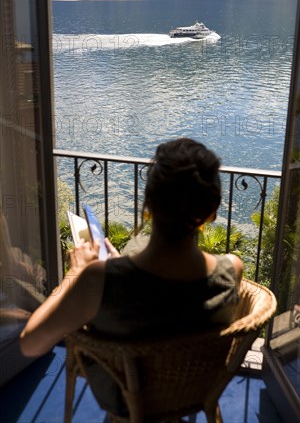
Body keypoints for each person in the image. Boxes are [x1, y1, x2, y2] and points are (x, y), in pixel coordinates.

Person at [19, 138, 243, 358]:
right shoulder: (232, 269)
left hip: (126, 390)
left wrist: (75, 273)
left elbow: (30, 344)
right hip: (196, 389)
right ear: (211, 211)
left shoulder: (98, 280)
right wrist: (118, 265)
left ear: (148, 204)